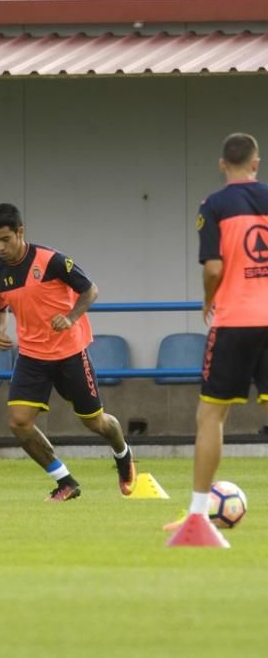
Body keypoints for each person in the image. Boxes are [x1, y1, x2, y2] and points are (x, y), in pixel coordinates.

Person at [0, 202, 136, 501]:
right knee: (19, 422)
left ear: (20, 232)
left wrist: (71, 317)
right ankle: (65, 481)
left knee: (96, 422)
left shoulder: (51, 260)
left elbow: (90, 289)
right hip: (31, 356)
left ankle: (123, 453)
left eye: (6, 239)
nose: (0, 247)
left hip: (70, 352)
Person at [166, 132, 268, 545]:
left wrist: (209, 301)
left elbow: (212, 268)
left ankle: (197, 515)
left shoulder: (213, 205)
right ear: (256, 164)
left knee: (212, 416)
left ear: (223, 164)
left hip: (236, 320)